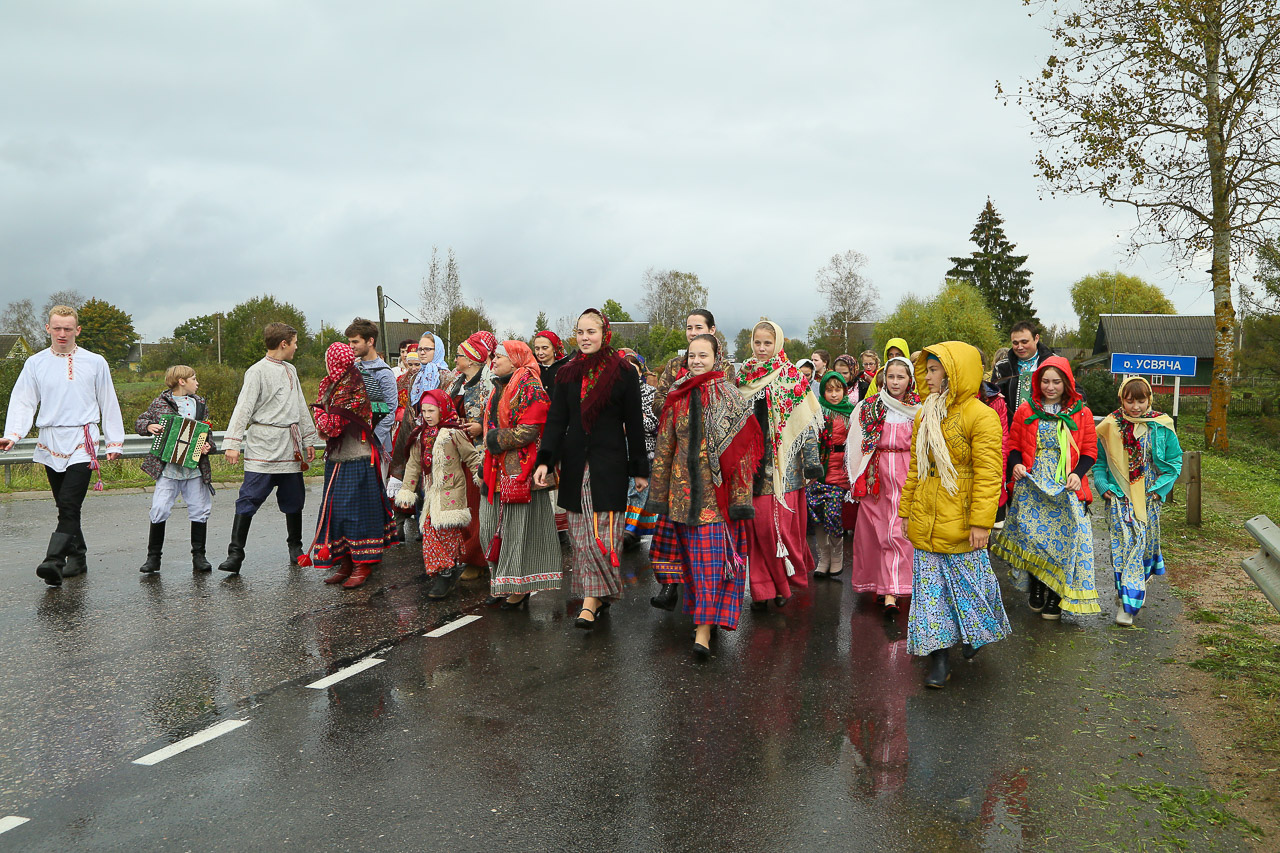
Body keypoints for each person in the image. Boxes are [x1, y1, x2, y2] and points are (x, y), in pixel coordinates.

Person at [899, 341, 1009, 689]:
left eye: (934, 371)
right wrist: (906, 511)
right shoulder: (925, 413)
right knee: (931, 596)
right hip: (927, 515)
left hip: (961, 519)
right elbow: (916, 468)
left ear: (954, 374)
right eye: (928, 370)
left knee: (970, 589)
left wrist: (981, 522)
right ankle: (939, 660)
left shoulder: (982, 416)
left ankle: (976, 633)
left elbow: (989, 475)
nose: (927, 377)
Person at [646, 334, 763, 657]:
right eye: (692, 356)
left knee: (710, 566)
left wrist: (740, 502)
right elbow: (665, 448)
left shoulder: (731, 397)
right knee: (692, 567)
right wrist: (659, 495)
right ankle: (702, 621)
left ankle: (703, 630)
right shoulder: (677, 395)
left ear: (716, 358)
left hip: (717, 499)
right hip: (681, 497)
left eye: (703, 355)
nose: (697, 361)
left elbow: (742, 458)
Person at [534, 308, 649, 630]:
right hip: (574, 464)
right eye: (580, 332)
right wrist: (545, 460)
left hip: (609, 464)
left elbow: (634, 423)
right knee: (580, 535)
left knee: (604, 532)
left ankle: (590, 601)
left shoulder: (623, 372)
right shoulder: (567, 373)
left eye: (591, 332)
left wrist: (640, 469)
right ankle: (598, 595)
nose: (585, 338)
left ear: (604, 334)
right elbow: (556, 421)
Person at [0, 305, 125, 586]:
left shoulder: (95, 362)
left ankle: (53, 560)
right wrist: (13, 434)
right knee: (64, 505)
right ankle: (78, 557)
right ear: (48, 328)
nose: (62, 333)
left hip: (83, 440)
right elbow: (23, 401)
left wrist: (114, 440)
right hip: (50, 439)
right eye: (57, 328)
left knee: (69, 502)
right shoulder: (35, 363)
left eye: (68, 329)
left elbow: (108, 400)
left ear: (77, 330)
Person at [990, 357, 1099, 620]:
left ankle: (1055, 595)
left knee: (1065, 540)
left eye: (1056, 382)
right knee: (1033, 538)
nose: (1050, 387)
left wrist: (1077, 475)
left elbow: (1089, 451)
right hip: (1033, 482)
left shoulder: (1082, 413)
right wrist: (1016, 465)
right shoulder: (1026, 409)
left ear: (1067, 383)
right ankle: (1037, 585)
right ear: (1038, 382)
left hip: (1065, 484)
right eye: (1046, 381)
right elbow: (1014, 445)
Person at [649, 308, 736, 611]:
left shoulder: (725, 367)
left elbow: (728, 406)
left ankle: (706, 602)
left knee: (706, 537)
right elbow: (659, 400)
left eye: (698, 327)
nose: (692, 332)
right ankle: (669, 585)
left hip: (711, 464)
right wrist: (679, 402)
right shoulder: (675, 365)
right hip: (678, 449)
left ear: (712, 330)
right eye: (688, 327)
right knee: (671, 528)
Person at [218, 323, 318, 573]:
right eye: (294, 342)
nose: (296, 347)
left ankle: (295, 548)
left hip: (289, 447)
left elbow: (300, 405)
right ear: (284, 343)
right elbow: (243, 407)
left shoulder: (291, 370)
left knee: (294, 500)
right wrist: (232, 443)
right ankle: (235, 554)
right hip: (263, 446)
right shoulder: (257, 371)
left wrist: (308, 439)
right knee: (248, 499)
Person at [737, 320, 823, 609]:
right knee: (757, 532)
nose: (762, 348)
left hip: (785, 470)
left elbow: (806, 425)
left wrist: (812, 463)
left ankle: (782, 583)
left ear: (778, 344)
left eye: (767, 343)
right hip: (751, 468)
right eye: (757, 342)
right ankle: (762, 590)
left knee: (779, 531)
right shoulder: (744, 376)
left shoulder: (791, 377)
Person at [305, 342, 396, 588]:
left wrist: (319, 413)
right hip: (337, 457)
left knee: (356, 512)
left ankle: (362, 564)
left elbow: (330, 426)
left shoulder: (357, 385)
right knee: (337, 512)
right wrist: (322, 414)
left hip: (359, 456)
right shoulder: (331, 383)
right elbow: (326, 420)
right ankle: (345, 562)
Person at [1094, 377, 1183, 626]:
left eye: (1141, 401)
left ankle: (1134, 588)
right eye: (1130, 401)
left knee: (1144, 546)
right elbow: (1100, 463)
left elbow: (1174, 462)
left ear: (1149, 400)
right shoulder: (1109, 426)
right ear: (1121, 400)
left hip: (1148, 498)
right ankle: (1128, 604)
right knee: (1123, 548)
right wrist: (1102, 486)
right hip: (1119, 497)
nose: (1135, 407)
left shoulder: (1161, 426)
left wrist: (1159, 490)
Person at [480, 341, 562, 607]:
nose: (493, 360)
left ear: (515, 359)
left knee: (518, 531)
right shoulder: (499, 386)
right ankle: (501, 581)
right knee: (489, 528)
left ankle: (518, 587)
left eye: (499, 356)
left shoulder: (530, 386)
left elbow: (530, 429)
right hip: (495, 468)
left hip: (521, 470)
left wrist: (495, 439)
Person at [846, 357, 921, 611]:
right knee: (875, 531)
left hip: (906, 472)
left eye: (901, 377)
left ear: (910, 380)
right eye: (891, 377)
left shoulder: (919, 410)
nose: (895, 382)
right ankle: (880, 584)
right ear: (884, 379)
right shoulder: (870, 407)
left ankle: (893, 590)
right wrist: (856, 475)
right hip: (875, 475)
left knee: (899, 530)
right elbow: (855, 442)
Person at [393, 389, 482, 595]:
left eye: (431, 410)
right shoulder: (420, 435)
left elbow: (471, 457)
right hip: (431, 495)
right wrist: (407, 492)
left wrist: (482, 477)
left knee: (445, 533)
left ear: (442, 409)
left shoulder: (453, 433)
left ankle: (446, 572)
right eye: (424, 411)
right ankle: (446, 571)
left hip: (452, 493)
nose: (427, 415)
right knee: (430, 532)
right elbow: (413, 465)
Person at [136, 365, 217, 574]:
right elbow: (141, 421)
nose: (197, 382)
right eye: (194, 379)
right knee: (160, 508)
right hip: (168, 468)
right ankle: (153, 558)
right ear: (182, 381)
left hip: (194, 468)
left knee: (199, 509)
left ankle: (199, 557)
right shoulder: (160, 402)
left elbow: (206, 432)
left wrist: (207, 446)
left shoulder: (199, 403)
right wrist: (149, 427)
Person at [446, 331, 498, 573]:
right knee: (462, 503)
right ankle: (464, 553)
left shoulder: (489, 384)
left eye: (459, 355)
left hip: (479, 453)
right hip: (457, 451)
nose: (455, 359)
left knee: (477, 506)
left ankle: (477, 558)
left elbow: (498, 416)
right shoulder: (456, 383)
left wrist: (480, 427)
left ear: (471, 359)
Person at [809, 371, 855, 580]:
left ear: (844, 391)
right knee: (817, 516)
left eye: (838, 390)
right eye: (829, 390)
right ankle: (823, 557)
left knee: (833, 514)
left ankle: (837, 555)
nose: (834, 394)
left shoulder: (851, 413)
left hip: (840, 471)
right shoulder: (816, 411)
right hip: (818, 472)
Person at [618, 349, 659, 555]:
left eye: (633, 369)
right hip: (618, 450)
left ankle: (630, 530)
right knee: (622, 490)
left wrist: (634, 420)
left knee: (637, 489)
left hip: (643, 449)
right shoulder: (614, 392)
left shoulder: (650, 393)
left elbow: (654, 422)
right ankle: (623, 530)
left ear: (641, 371)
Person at [345, 318, 398, 460]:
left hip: (376, 446)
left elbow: (390, 411)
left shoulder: (384, 373)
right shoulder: (352, 368)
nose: (351, 346)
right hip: (352, 441)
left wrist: (373, 438)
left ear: (370, 341)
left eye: (355, 342)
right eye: (350, 342)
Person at [992, 321, 1055, 427]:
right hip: (1012, 428)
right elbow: (992, 395)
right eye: (1015, 343)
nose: (1020, 347)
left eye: (1024, 342)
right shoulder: (1002, 367)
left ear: (1036, 338)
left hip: (1047, 427)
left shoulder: (1054, 363)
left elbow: (1076, 393)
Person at [531, 329, 568, 395]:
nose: (540, 352)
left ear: (554, 348)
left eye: (545, 348)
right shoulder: (532, 371)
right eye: (537, 349)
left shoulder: (566, 370)